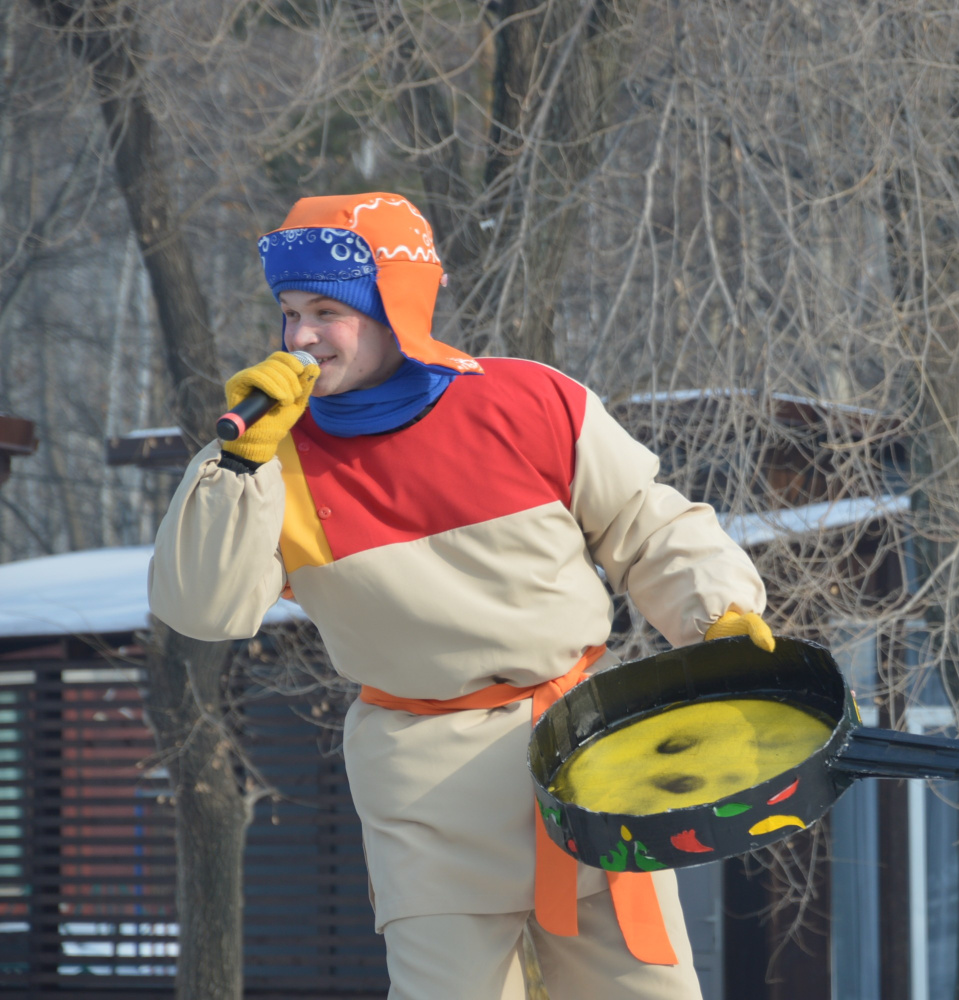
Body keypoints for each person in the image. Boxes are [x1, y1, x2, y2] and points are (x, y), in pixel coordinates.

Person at [148, 192, 774, 1000]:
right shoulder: (273, 461)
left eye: (326, 311)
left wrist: (715, 611)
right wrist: (235, 470)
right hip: (423, 790)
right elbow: (202, 607)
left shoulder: (530, 401)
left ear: (393, 309)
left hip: (585, 754)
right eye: (289, 311)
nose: (300, 335)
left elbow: (646, 523)